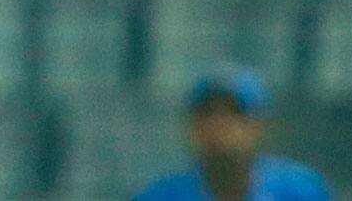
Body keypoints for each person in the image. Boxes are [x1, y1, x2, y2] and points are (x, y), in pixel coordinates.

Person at [133, 66, 330, 201]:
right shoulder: (162, 196)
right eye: (206, 113)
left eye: (233, 112)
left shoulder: (298, 192)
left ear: (258, 126)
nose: (217, 124)